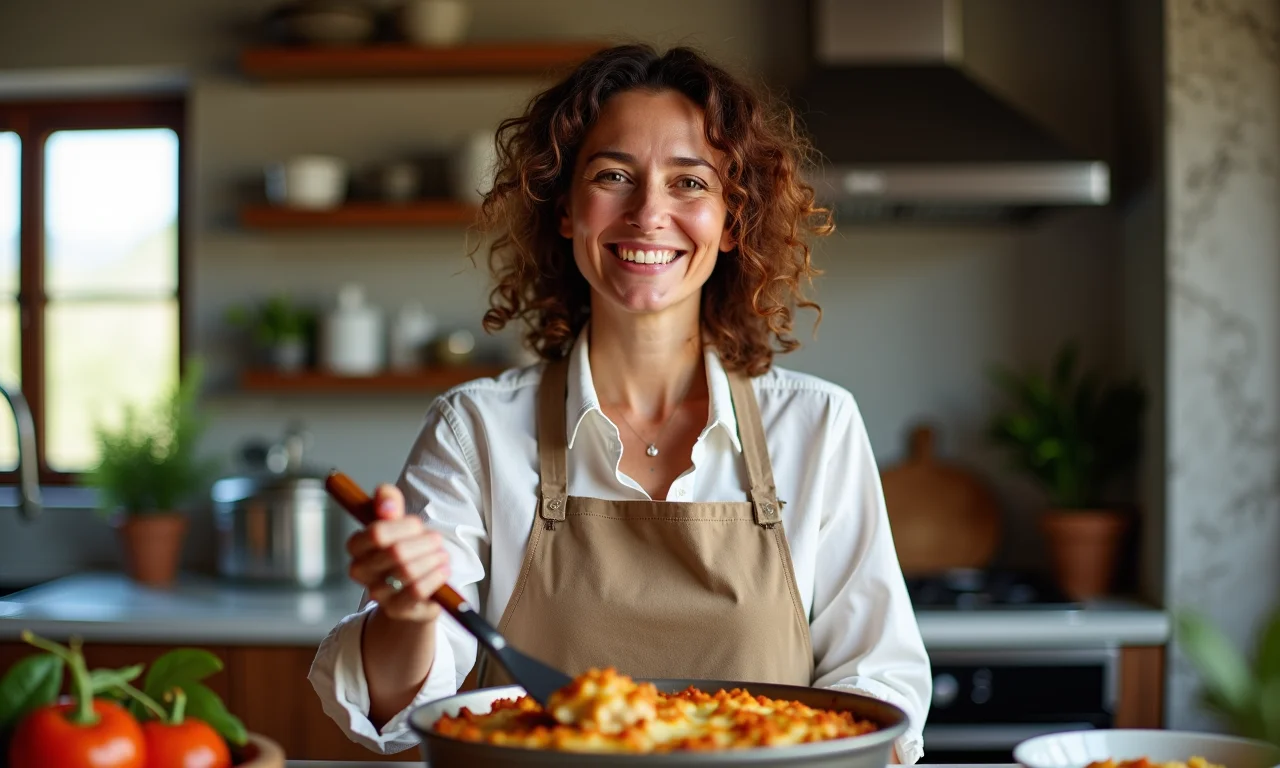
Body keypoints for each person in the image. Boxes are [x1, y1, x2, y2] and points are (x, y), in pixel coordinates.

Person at [309, 43, 931, 763]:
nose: (648, 212)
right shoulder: (474, 430)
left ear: (732, 221)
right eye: (612, 175)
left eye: (690, 183)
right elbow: (393, 708)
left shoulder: (818, 427)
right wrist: (410, 611)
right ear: (566, 209)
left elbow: (878, 689)